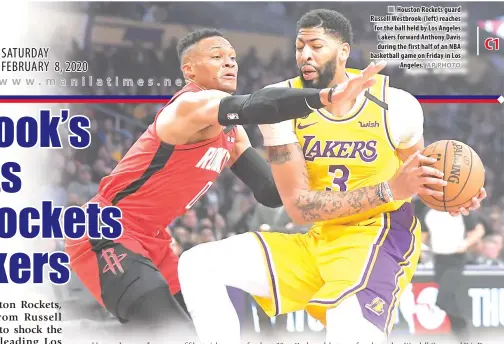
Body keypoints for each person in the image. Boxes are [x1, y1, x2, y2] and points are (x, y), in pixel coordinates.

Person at [177, 11, 487, 344]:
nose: (304, 55)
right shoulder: (279, 105)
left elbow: (419, 176)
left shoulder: (397, 105)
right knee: (199, 263)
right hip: (319, 238)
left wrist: (452, 196)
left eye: (316, 46)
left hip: (379, 238)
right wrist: (389, 189)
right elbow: (298, 208)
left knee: (346, 324)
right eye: (299, 47)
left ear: (343, 51)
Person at [64, 27, 383, 340]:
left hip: (154, 240)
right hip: (106, 231)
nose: (230, 62)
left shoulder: (231, 133)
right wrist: (326, 96)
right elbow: (258, 103)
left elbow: (270, 193)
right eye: (217, 56)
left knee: (201, 330)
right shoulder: (188, 108)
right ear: (189, 69)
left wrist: (320, 163)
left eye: (232, 57)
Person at [419, 200, 486, 341]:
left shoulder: (460, 209)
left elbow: (479, 230)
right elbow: (422, 236)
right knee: (449, 300)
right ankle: (462, 336)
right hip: (438, 259)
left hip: (456, 259)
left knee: (443, 299)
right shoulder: (427, 211)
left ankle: (463, 330)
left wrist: (466, 243)